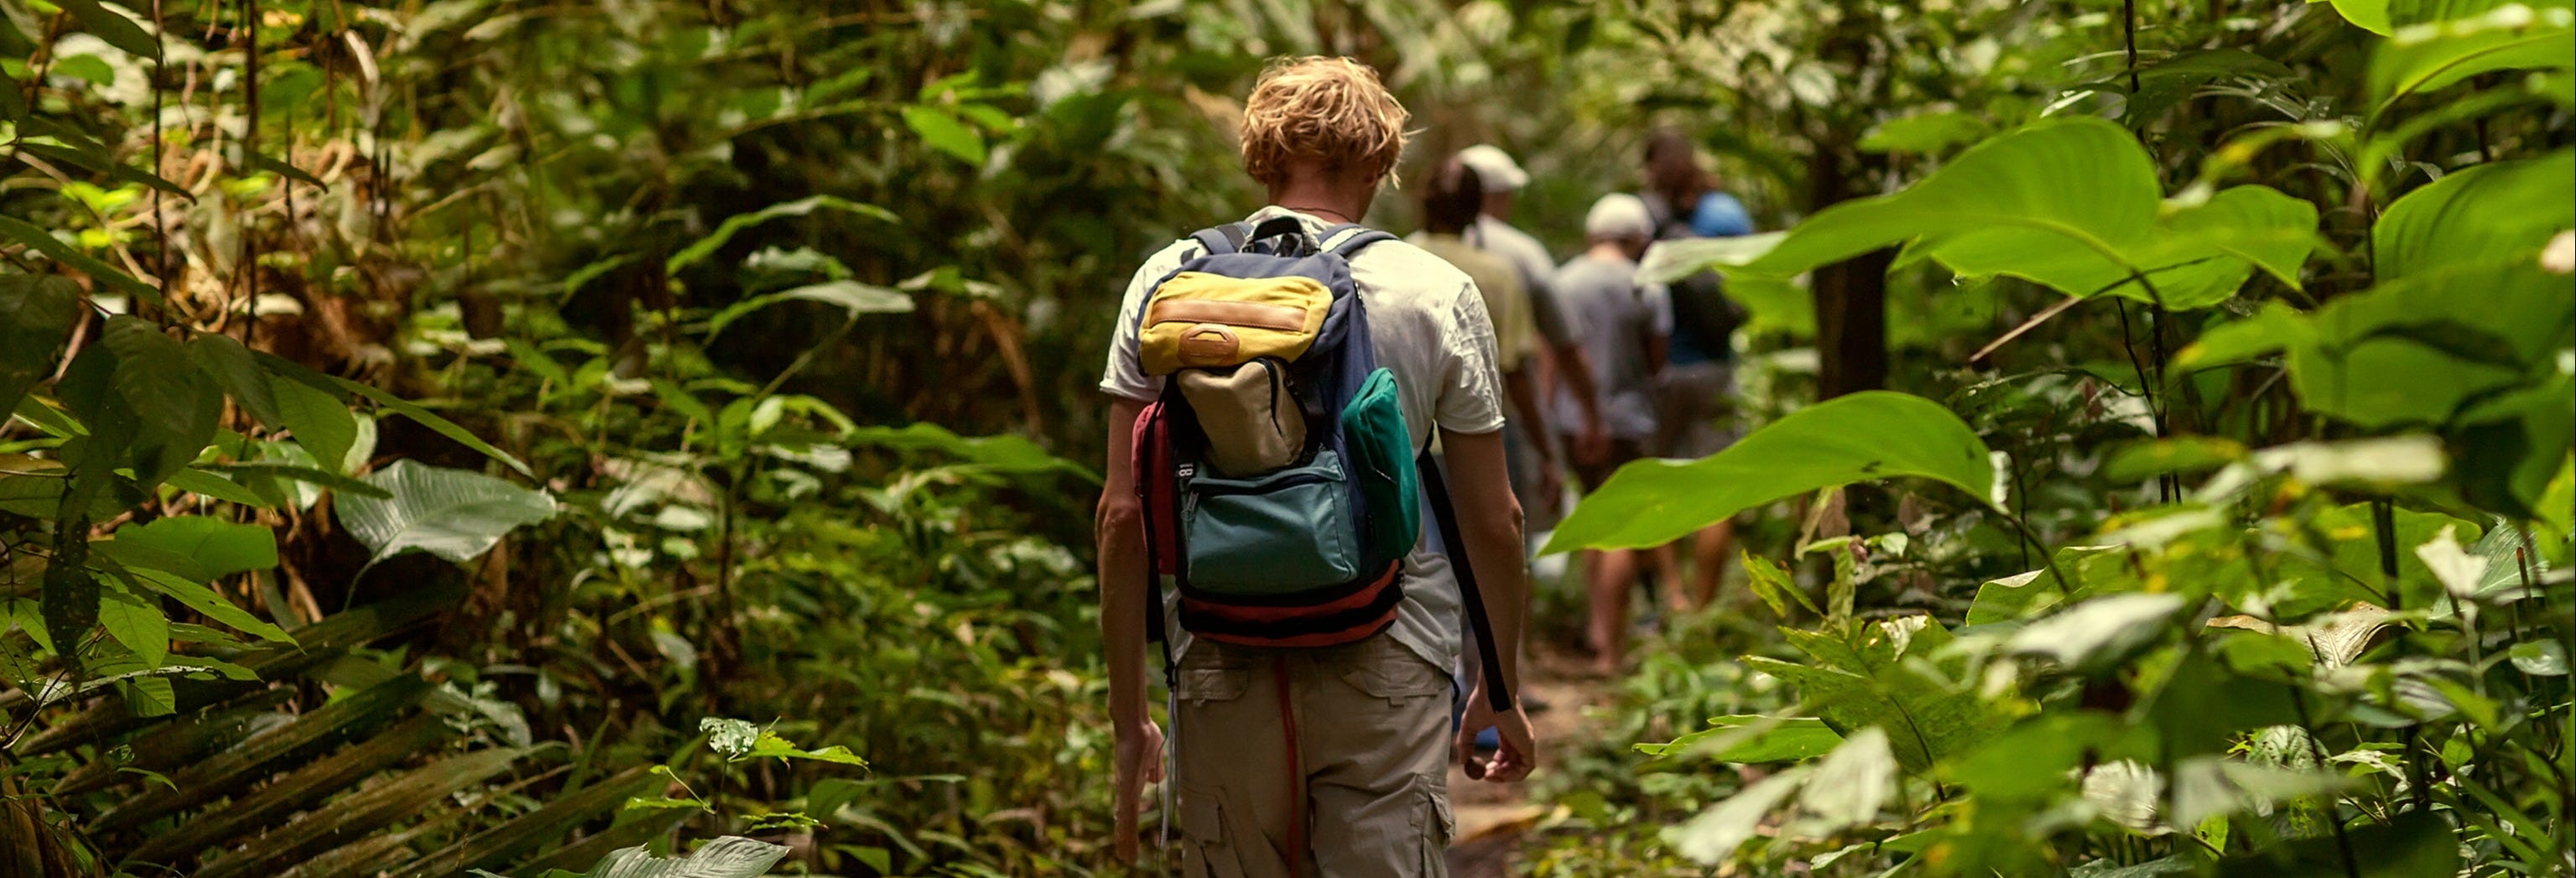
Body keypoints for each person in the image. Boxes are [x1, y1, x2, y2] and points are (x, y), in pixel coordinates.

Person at [1094, 56, 1538, 875]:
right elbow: (1493, 519)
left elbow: (1121, 514)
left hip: (1220, 648)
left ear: (1260, 157)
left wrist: (1130, 717)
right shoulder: (1431, 289)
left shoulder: (1168, 278)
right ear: (1379, 161)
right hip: (1387, 647)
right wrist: (1496, 688)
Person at [1452, 143, 1611, 522]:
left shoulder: (1416, 247)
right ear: (1498, 195)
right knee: (1505, 534)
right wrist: (1591, 414)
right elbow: (1565, 344)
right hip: (1503, 421)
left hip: (1427, 428)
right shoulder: (1523, 253)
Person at [1549, 193, 1669, 675]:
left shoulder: (1564, 281)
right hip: (1626, 418)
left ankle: (1598, 632)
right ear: (1637, 237)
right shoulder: (1647, 284)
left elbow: (1551, 356)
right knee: (1618, 527)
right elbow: (1657, 359)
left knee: (1591, 518)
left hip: (1570, 418)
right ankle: (1612, 650)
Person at [1640, 127, 1748, 612]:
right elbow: (1751, 284)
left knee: (1660, 484)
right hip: (1715, 369)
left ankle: (1673, 594)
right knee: (1716, 490)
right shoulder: (1725, 213)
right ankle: (1703, 609)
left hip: (1662, 372)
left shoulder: (1644, 217)